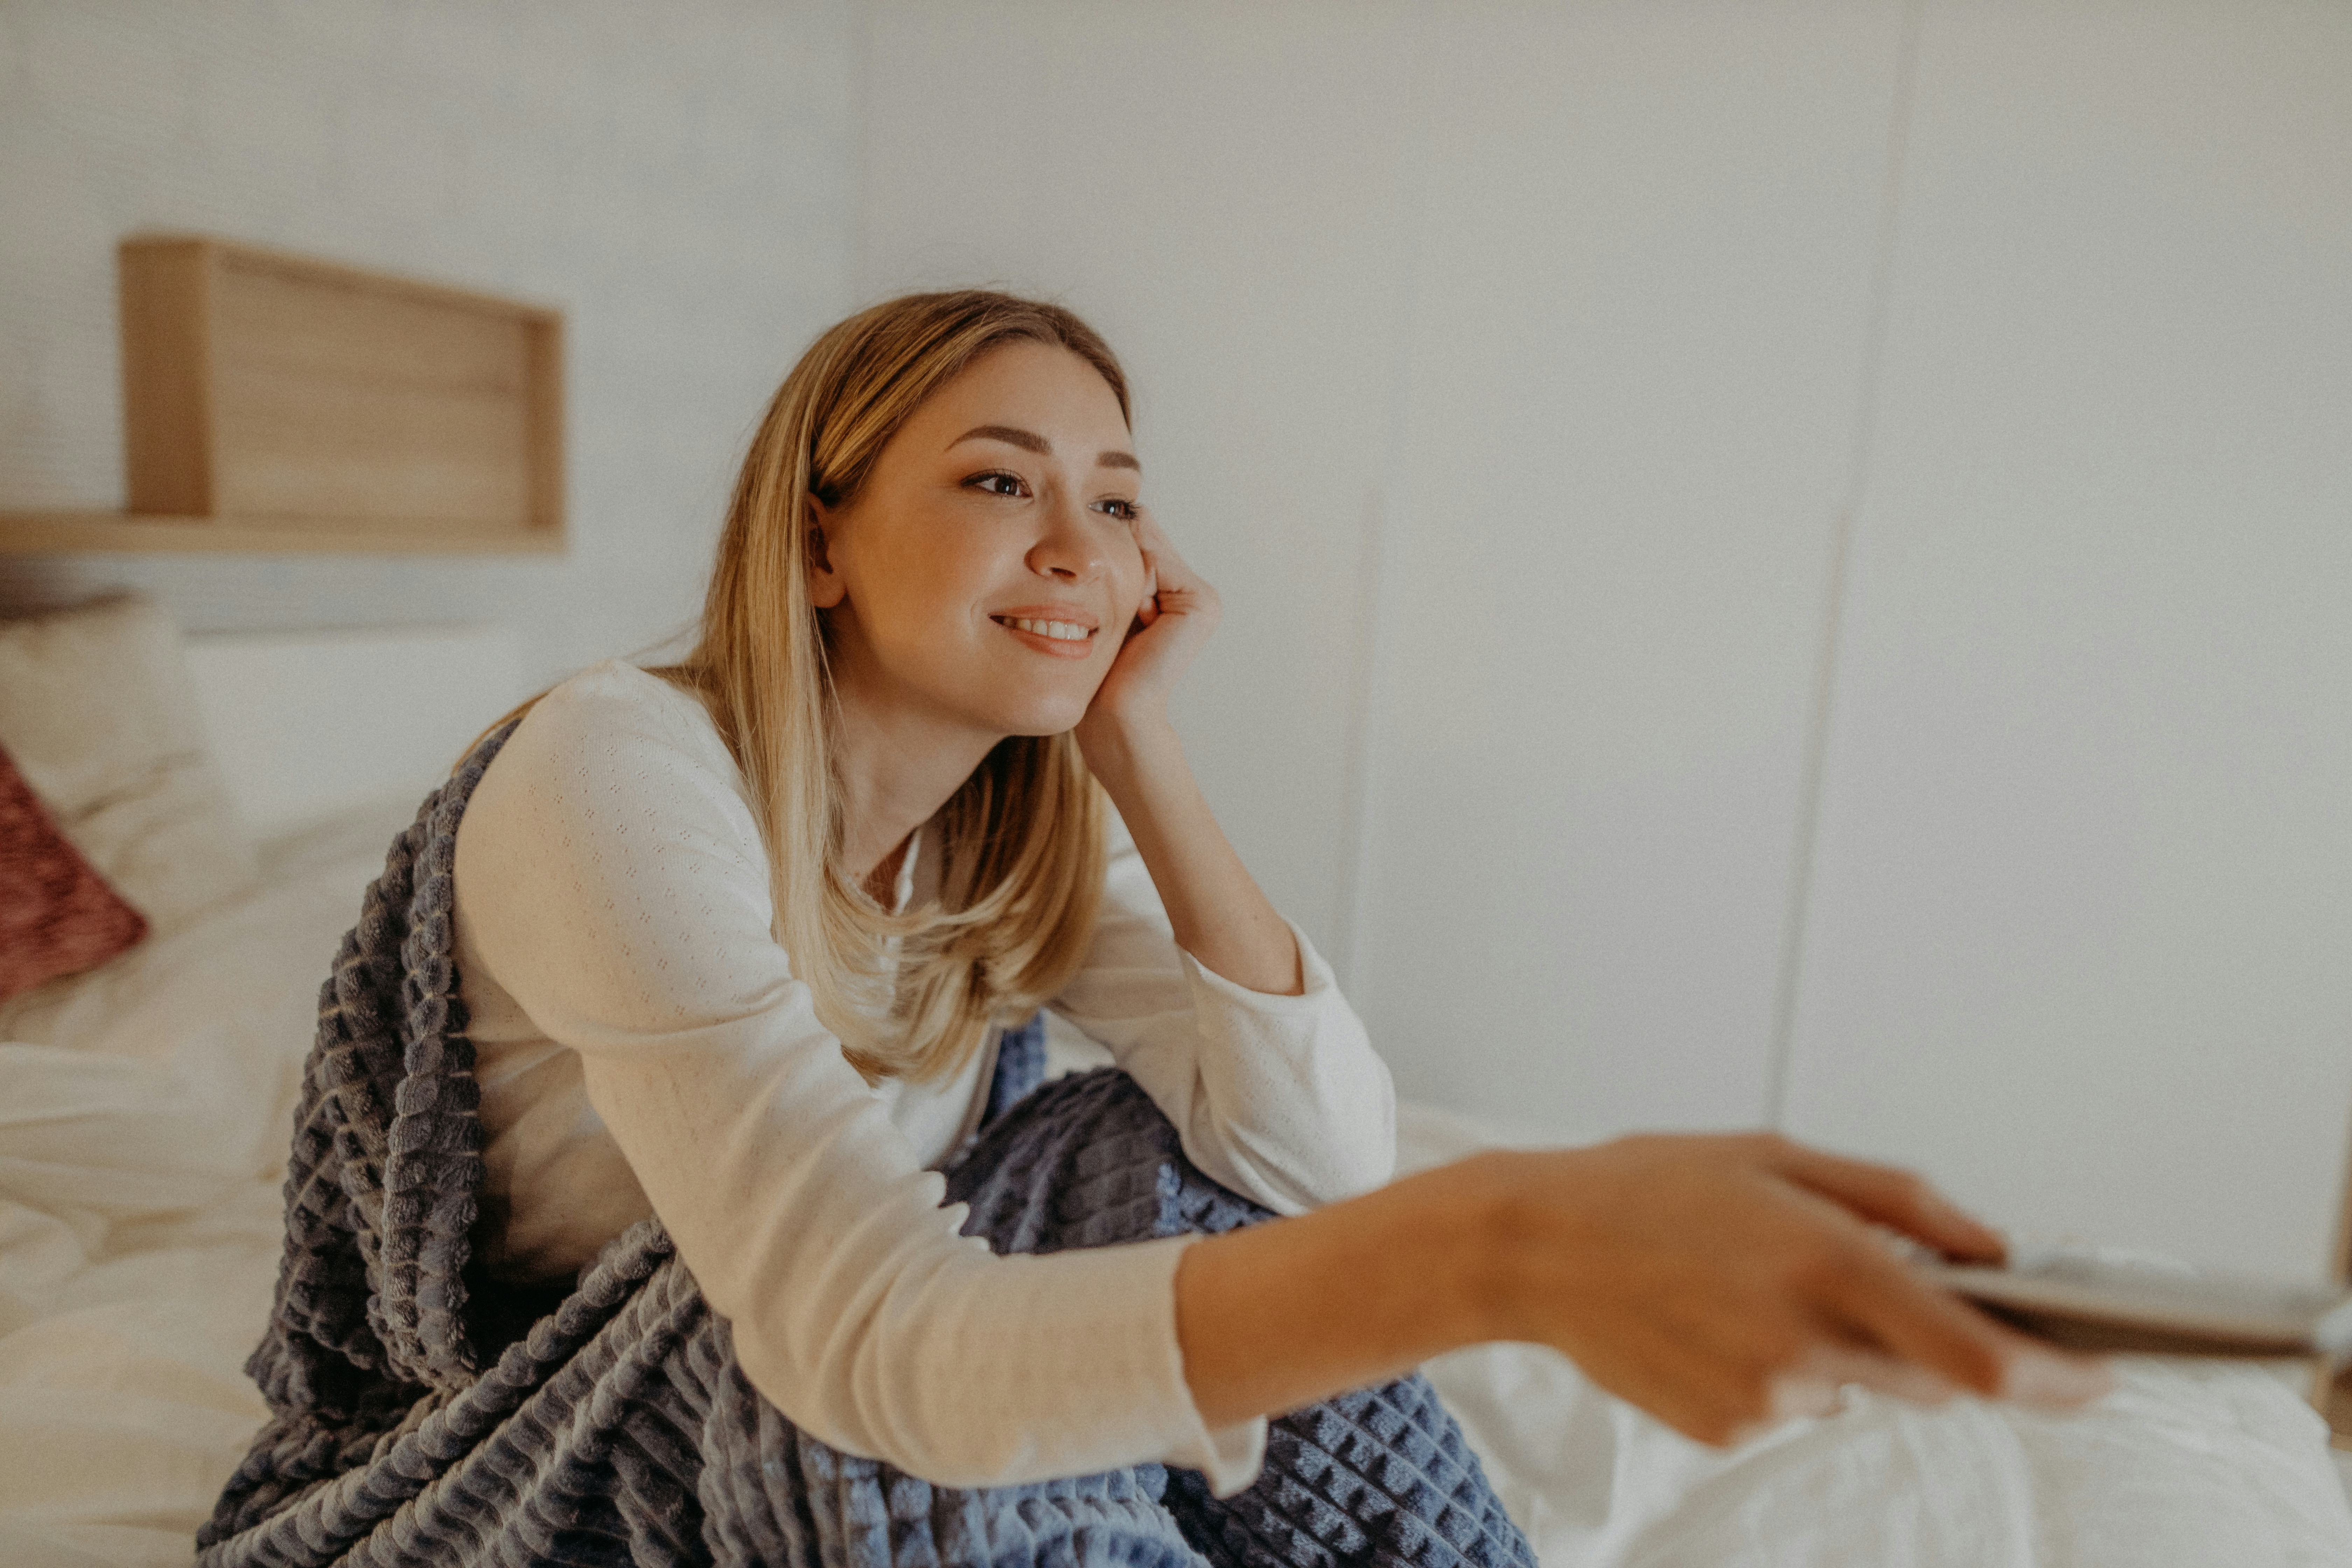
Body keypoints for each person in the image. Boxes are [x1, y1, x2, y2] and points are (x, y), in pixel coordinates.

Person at [449, 289, 2110, 1502]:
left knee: (1156, 1182)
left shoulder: (1006, 827)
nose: (1080, 548)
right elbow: (874, 1343)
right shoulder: (617, 773)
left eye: (1115, 499)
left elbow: (1308, 1162)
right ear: (818, 545)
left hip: (823, 1363)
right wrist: (1502, 1246)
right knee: (998, 1387)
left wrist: (1139, 736)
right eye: (998, 481)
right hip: (586, 1411)